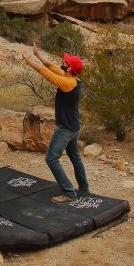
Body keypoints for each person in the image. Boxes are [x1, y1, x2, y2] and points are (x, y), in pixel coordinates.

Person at [20, 42, 89, 204]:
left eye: (66, 62)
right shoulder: (72, 78)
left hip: (66, 129)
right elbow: (51, 67)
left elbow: (45, 73)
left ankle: (69, 193)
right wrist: (38, 55)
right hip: (74, 127)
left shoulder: (67, 83)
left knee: (51, 158)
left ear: (70, 68)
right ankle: (84, 189)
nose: (63, 63)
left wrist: (27, 58)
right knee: (75, 158)